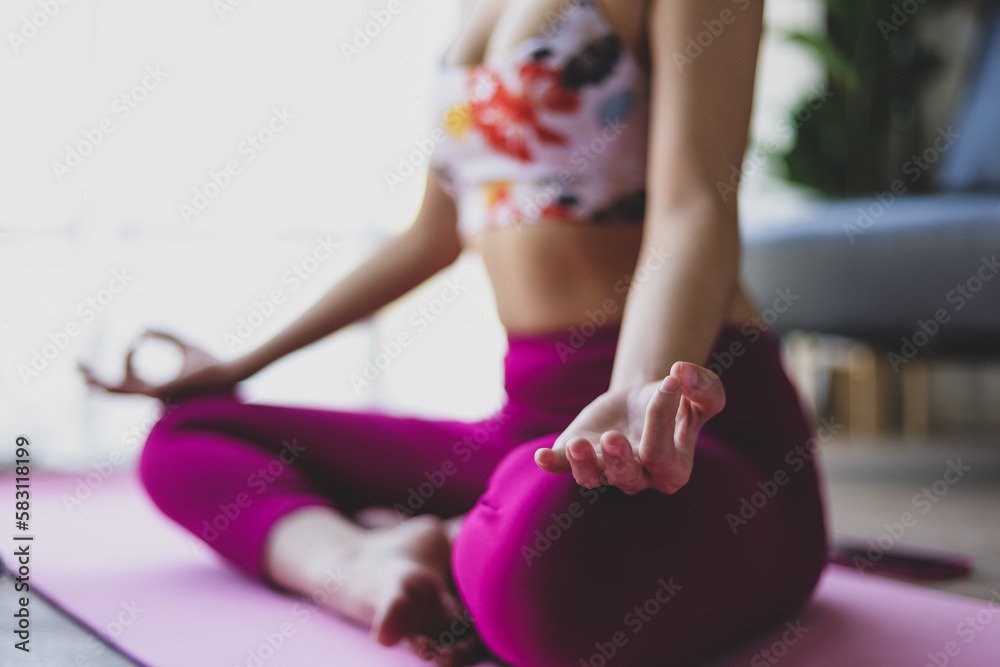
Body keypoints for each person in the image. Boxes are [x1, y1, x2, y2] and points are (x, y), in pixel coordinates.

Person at [80, 0, 828, 665]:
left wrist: (636, 390)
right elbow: (430, 237)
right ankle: (366, 568)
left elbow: (694, 206)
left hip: (687, 427)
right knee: (189, 435)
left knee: (544, 579)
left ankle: (451, 534)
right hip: (532, 426)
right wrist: (244, 362)